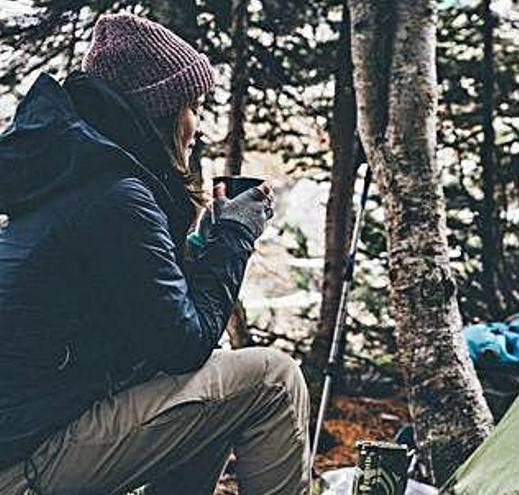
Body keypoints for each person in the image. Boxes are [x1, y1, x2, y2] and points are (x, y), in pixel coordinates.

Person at [0, 13, 310, 495]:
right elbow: (182, 346)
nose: (198, 128)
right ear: (160, 111)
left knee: (219, 385)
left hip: (26, 442)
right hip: (26, 465)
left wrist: (205, 244)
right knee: (273, 380)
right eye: (193, 107)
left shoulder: (74, 179)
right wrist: (234, 237)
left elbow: (156, 328)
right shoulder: (116, 195)